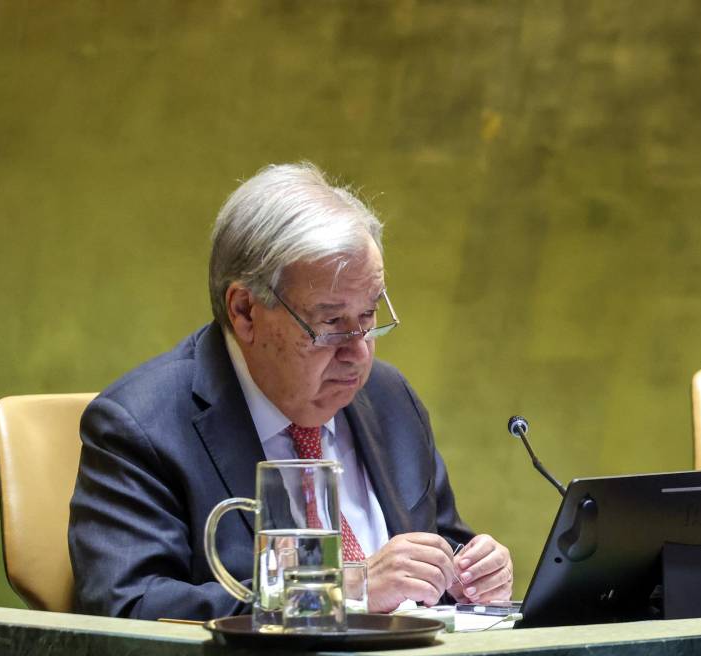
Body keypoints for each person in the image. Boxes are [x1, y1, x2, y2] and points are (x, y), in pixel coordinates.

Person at [68, 163, 513, 619]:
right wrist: (343, 589)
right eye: (331, 323)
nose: (359, 352)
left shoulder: (388, 397)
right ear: (245, 312)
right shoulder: (141, 427)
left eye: (369, 316)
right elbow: (131, 609)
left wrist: (470, 573)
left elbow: (436, 546)